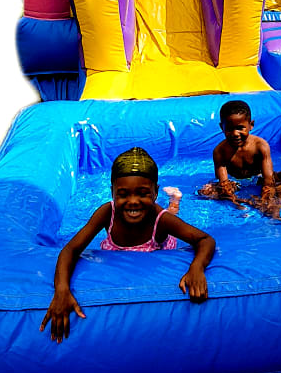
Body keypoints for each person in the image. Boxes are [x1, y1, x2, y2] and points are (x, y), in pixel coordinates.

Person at [41, 147, 215, 343]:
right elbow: (71, 249)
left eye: (143, 193)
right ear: (112, 192)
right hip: (117, 250)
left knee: (171, 213)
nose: (133, 201)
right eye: (123, 194)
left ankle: (175, 200)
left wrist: (196, 268)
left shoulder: (160, 220)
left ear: (155, 192)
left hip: (156, 246)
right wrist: (61, 290)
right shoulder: (107, 212)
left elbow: (205, 240)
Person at [198, 99, 281, 218]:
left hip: (258, 179)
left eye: (240, 128)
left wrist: (267, 199)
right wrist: (235, 201)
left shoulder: (260, 146)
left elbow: (268, 179)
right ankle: (244, 202)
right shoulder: (220, 151)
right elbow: (224, 183)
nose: (235, 133)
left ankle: (276, 202)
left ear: (251, 125)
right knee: (205, 191)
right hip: (235, 182)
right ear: (221, 127)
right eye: (229, 129)